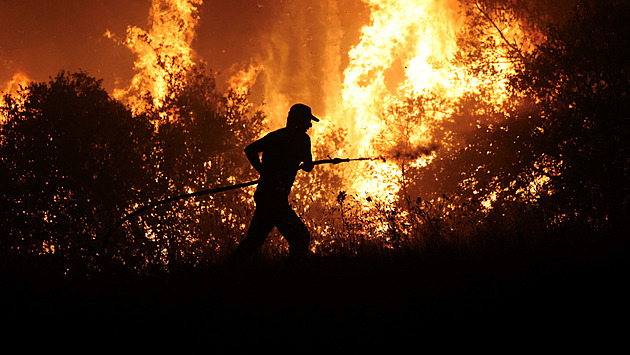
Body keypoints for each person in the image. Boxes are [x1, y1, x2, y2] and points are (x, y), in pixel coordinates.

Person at [230, 103, 319, 263]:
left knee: (253, 242)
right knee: (301, 237)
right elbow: (308, 165)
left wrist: (263, 171)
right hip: (276, 201)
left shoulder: (275, 136)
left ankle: (227, 272)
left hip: (265, 196)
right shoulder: (302, 140)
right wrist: (306, 164)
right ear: (300, 120)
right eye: (307, 120)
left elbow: (250, 150)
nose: (309, 125)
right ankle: (290, 277)